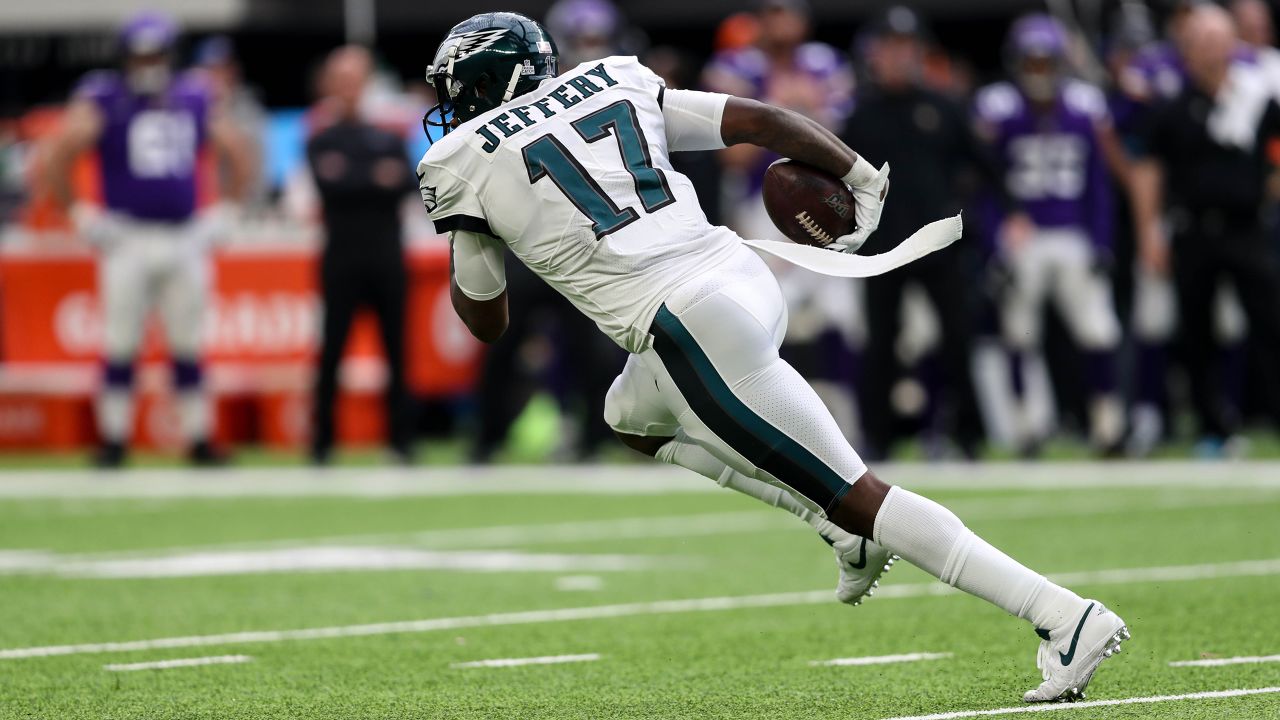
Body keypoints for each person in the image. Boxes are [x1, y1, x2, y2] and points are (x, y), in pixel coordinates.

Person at [418, 12, 1129, 703]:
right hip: (743, 276)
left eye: (452, 86)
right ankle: (834, 530)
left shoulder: (461, 161)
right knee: (630, 417)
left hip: (687, 324)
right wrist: (860, 177)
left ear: (485, 82)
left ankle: (1063, 616)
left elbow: (487, 319)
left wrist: (469, 235)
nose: (446, 104)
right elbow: (757, 120)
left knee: (859, 495)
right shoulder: (611, 80)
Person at [45, 11, 251, 468]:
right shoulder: (105, 97)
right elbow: (59, 152)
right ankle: (113, 441)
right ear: (124, 58)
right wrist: (79, 212)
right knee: (120, 341)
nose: (148, 64)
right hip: (127, 235)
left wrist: (230, 209)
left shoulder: (193, 96)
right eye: (140, 56)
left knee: (188, 342)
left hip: (184, 235)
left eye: (155, 54)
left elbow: (238, 149)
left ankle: (198, 439)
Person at [841, 7, 994, 460]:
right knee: (880, 342)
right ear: (875, 55)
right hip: (882, 246)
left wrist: (967, 219)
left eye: (906, 47)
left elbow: (985, 167)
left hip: (938, 243)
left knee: (957, 337)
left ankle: (968, 435)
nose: (898, 57)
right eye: (889, 47)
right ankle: (878, 438)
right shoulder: (860, 113)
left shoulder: (944, 107)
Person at [974, 15, 1126, 456]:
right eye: (1032, 63)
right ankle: (1028, 426)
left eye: (1046, 63)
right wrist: (995, 240)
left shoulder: (1082, 108)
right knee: (1020, 333)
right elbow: (987, 183)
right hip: (1024, 234)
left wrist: (1102, 241)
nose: (1039, 72)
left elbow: (1099, 185)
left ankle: (1107, 424)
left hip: (1073, 234)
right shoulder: (1001, 110)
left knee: (1098, 330)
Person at [1130, 4, 1280, 449]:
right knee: (1196, 332)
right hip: (1193, 230)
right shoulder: (1172, 107)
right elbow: (1148, 173)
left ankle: (1272, 415)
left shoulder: (1258, 99)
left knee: (1269, 322)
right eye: (1201, 42)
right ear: (1187, 50)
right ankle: (1212, 427)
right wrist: (1148, 233)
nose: (1211, 51)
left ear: (1234, 44)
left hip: (1247, 227)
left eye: (1218, 40)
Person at [307, 46, 417, 465]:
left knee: (397, 349)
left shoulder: (388, 137)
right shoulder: (322, 137)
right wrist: (374, 178)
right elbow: (331, 186)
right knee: (332, 348)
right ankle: (322, 442)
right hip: (341, 256)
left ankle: (401, 440)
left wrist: (355, 178)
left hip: (386, 255)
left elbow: (404, 184)